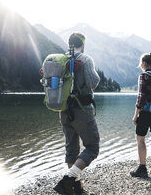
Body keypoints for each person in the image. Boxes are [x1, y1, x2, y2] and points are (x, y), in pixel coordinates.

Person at [54, 33, 100, 195]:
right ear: (83, 44)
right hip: (81, 109)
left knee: (71, 149)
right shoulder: (86, 59)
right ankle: (68, 178)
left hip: (64, 109)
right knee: (92, 147)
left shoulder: (59, 59)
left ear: (69, 44)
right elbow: (93, 82)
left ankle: (74, 187)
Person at [130, 52, 151, 178]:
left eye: (141, 62)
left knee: (140, 138)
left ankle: (142, 168)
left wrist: (135, 115)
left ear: (144, 63)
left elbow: (141, 96)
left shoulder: (143, 76)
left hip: (145, 111)